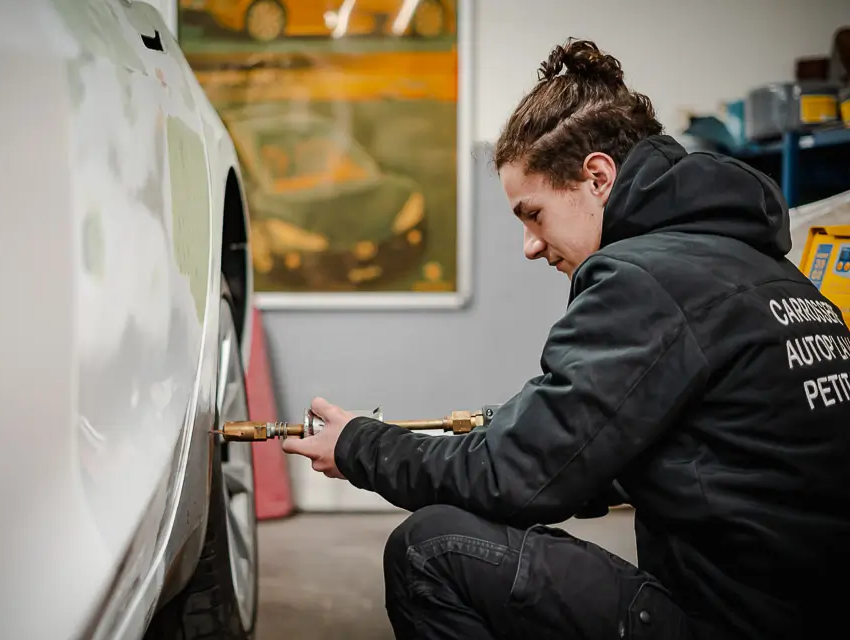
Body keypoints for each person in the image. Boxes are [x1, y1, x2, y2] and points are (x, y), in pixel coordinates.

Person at [282, 38, 850, 639]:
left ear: (597, 177)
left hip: (732, 624)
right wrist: (516, 430)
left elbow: (514, 480)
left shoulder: (640, 277)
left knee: (432, 549)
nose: (530, 244)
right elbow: (691, 458)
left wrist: (360, 447)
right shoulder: (760, 266)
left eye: (533, 215)